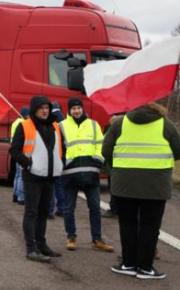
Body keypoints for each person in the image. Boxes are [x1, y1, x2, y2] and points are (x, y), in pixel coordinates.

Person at [103, 103, 180, 280]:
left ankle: (128, 264)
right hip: (156, 185)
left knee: (127, 224)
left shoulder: (119, 123)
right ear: (156, 106)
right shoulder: (165, 124)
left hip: (123, 184)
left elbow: (106, 150)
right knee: (150, 226)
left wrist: (119, 168)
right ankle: (145, 267)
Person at [9, 95, 65, 263]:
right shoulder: (24, 125)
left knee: (43, 212)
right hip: (33, 175)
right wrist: (28, 164)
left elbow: (61, 148)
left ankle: (42, 245)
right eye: (41, 108)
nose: (45, 111)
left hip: (49, 176)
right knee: (31, 212)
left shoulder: (55, 125)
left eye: (47, 108)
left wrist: (61, 163)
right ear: (34, 109)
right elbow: (14, 150)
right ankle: (31, 248)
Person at [59, 97, 114, 252]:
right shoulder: (62, 126)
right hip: (70, 173)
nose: (76, 111)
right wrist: (65, 162)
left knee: (95, 207)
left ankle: (97, 239)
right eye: (73, 108)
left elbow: (100, 144)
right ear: (68, 110)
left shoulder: (93, 125)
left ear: (82, 109)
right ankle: (71, 237)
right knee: (69, 207)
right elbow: (58, 148)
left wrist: (98, 160)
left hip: (91, 172)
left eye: (78, 108)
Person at [49, 101, 66, 218]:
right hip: (64, 156)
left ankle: (50, 210)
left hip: (53, 156)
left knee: (51, 184)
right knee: (60, 184)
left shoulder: (50, 121)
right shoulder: (66, 121)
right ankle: (62, 208)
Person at [11, 106, 30, 205]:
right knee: (22, 176)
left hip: (15, 151)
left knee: (17, 175)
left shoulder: (15, 122)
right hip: (21, 152)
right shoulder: (22, 123)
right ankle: (21, 197)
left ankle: (15, 194)